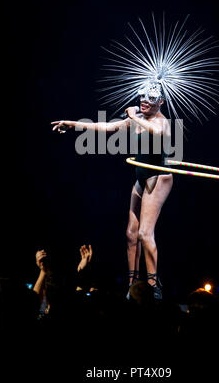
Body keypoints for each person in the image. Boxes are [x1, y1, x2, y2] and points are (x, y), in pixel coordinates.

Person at [52, 81, 173, 300]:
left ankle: (155, 285)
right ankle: (132, 284)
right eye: (141, 98)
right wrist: (72, 124)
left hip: (159, 176)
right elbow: (107, 127)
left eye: (150, 99)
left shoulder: (161, 121)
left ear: (160, 102)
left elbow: (157, 134)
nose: (144, 102)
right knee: (130, 234)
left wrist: (135, 117)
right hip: (141, 175)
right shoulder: (139, 119)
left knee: (146, 233)